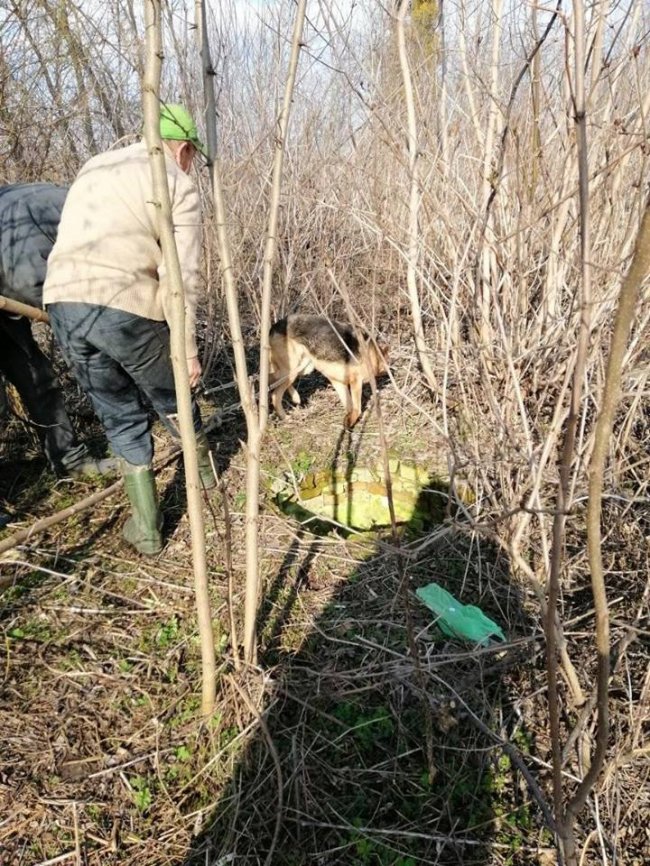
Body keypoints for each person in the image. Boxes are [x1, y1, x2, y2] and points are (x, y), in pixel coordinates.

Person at [43, 104, 216, 557]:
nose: (191, 163)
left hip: (62, 300)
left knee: (117, 414)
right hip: (126, 303)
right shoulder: (176, 183)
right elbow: (183, 277)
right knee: (172, 394)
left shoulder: (97, 164)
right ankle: (207, 480)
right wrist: (186, 347)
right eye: (192, 155)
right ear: (181, 149)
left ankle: (147, 530)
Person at [0, 182, 117, 479]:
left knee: (38, 378)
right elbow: (27, 279)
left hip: (5, 300)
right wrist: (70, 319)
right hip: (11, 289)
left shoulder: (70, 202)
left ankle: (69, 461)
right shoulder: (53, 209)